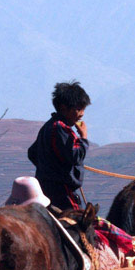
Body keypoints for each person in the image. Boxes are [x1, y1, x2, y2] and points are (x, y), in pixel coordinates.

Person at [27, 81, 91, 210]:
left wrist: (48, 166)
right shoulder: (61, 128)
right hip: (62, 191)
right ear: (63, 108)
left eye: (83, 108)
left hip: (45, 188)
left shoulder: (48, 126)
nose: (82, 113)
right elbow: (75, 156)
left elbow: (32, 153)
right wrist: (83, 137)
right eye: (78, 109)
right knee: (78, 225)